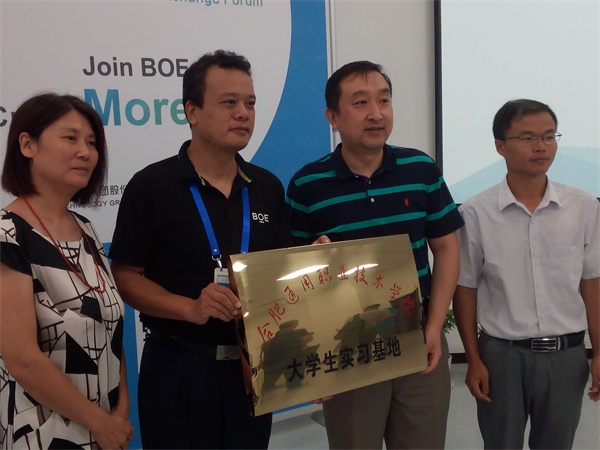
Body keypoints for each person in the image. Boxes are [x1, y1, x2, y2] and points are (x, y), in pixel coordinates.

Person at [108, 50, 291, 449]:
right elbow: (125, 277)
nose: (243, 113)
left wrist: (316, 261)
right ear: (192, 110)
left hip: (252, 367)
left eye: (250, 103)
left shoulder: (267, 187)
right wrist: (190, 308)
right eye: (229, 102)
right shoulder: (152, 186)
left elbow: (280, 271)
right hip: (179, 368)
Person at [286, 60, 464, 449]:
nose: (376, 113)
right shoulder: (307, 184)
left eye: (384, 100)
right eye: (360, 102)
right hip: (346, 346)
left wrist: (434, 327)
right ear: (333, 116)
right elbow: (294, 274)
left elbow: (447, 248)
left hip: (418, 337)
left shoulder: (420, 169)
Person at [453, 99, 600, 449]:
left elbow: (592, 283)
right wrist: (473, 359)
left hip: (566, 356)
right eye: (528, 137)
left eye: (549, 136)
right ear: (500, 146)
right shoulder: (475, 212)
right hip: (501, 357)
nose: (541, 146)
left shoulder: (583, 207)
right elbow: (465, 289)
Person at [0, 93, 134, 449]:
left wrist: (119, 411)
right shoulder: (6, 234)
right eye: (70, 138)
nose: (85, 152)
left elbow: (109, 331)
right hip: (41, 435)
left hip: (106, 431)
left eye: (91, 142)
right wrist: (99, 423)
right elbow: (22, 359)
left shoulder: (86, 229)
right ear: (27, 145)